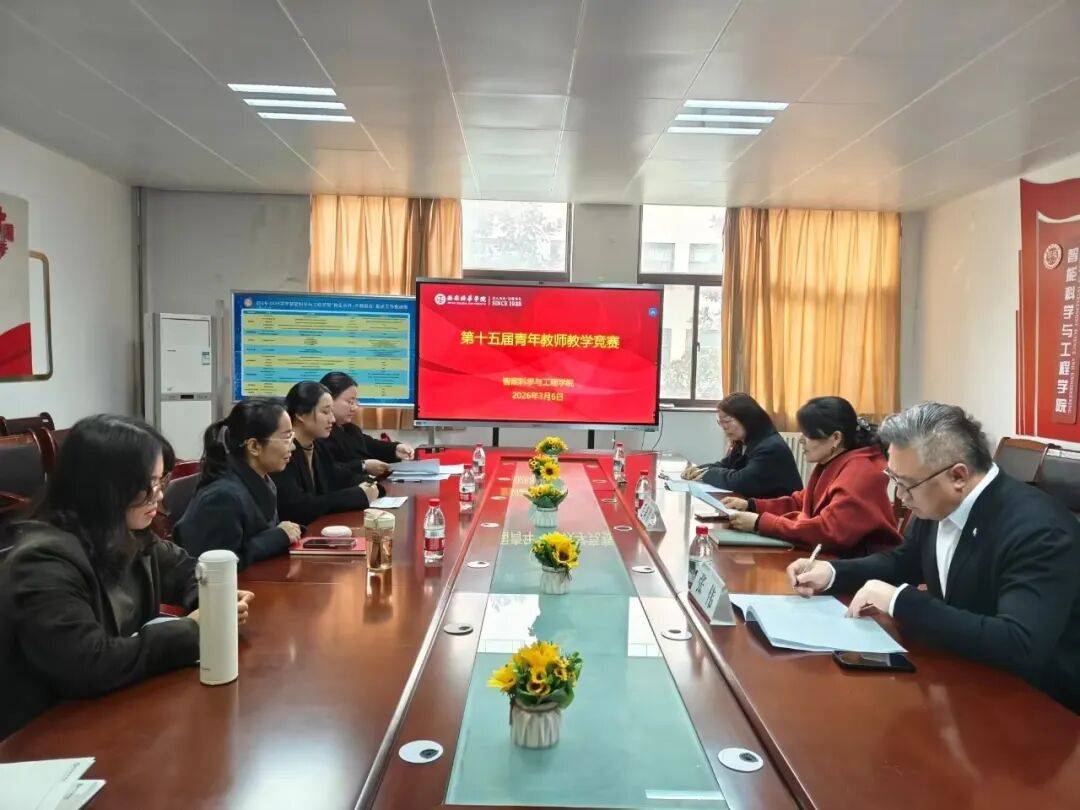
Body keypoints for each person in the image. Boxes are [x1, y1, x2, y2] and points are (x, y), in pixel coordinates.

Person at [787, 402, 1080, 712]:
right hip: (960, 674)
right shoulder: (939, 500)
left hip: (1034, 705)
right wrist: (832, 573)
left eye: (906, 484)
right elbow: (903, 562)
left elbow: (1018, 643)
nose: (900, 496)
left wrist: (900, 601)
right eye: (893, 479)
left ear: (958, 476)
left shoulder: (1040, 530)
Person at [0, 415, 253, 739]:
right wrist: (192, 629)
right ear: (105, 487)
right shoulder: (41, 561)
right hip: (47, 734)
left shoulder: (127, 533)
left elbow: (186, 570)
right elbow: (88, 664)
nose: (159, 496)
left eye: (161, 482)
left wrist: (213, 599)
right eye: (149, 484)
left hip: (116, 710)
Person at [722, 396, 901, 556]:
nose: (801, 440)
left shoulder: (860, 472)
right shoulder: (833, 461)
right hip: (833, 556)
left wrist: (760, 523)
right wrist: (752, 505)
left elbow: (828, 531)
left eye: (808, 435)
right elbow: (802, 501)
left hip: (860, 566)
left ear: (835, 438)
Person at [174, 398, 302, 569]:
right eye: (286, 438)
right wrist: (278, 536)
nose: (292, 447)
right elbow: (220, 564)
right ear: (254, 446)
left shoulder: (263, 479)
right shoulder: (222, 496)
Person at [272, 381, 383, 524]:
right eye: (325, 412)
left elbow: (340, 476)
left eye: (331, 411)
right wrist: (358, 495)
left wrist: (370, 485)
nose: (332, 419)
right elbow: (299, 507)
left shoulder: (318, 446)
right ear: (301, 415)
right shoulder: (284, 453)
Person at [682, 392, 803, 498]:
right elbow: (726, 465)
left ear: (747, 419)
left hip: (779, 512)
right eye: (720, 422)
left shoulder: (771, 448)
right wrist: (701, 469)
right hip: (755, 505)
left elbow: (741, 481)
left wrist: (708, 474)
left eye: (727, 421)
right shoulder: (742, 442)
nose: (724, 427)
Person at [319, 371, 415, 478]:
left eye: (355, 402)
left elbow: (370, 445)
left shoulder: (349, 428)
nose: (354, 408)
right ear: (329, 400)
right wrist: (363, 466)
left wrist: (395, 449)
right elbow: (328, 470)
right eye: (350, 402)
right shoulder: (321, 433)